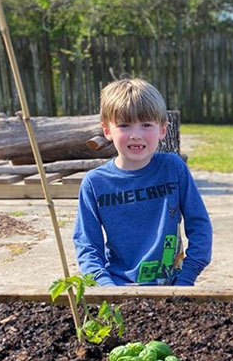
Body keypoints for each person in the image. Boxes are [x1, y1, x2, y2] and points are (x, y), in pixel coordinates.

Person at [73, 78, 212, 286]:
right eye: (124, 125)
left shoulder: (173, 169)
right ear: (107, 130)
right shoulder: (95, 184)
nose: (136, 135)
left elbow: (200, 226)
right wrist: (106, 288)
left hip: (173, 285)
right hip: (117, 288)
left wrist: (186, 279)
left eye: (146, 125)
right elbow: (87, 246)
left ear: (163, 129)